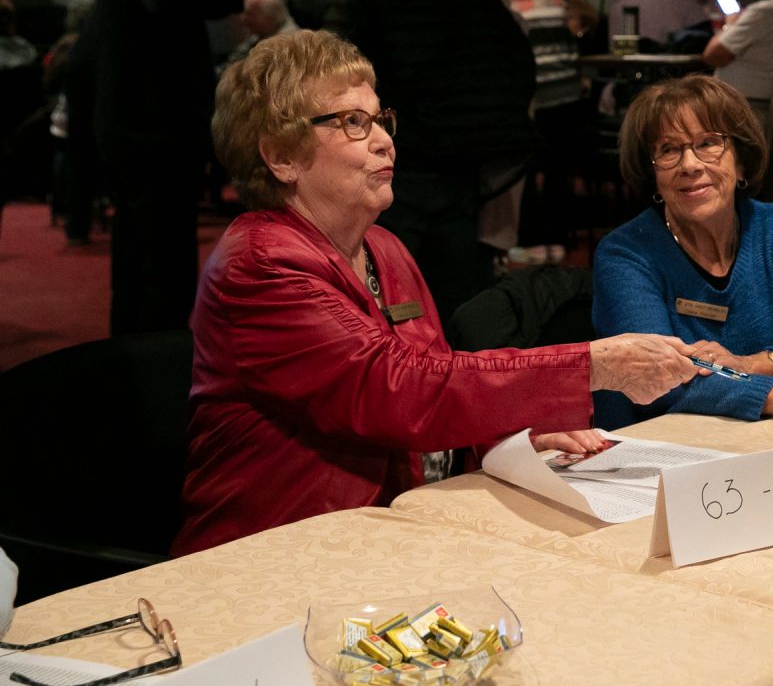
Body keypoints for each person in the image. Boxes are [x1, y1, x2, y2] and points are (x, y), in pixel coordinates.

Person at [173, 29, 704, 555]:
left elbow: (435, 401)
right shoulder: (260, 263)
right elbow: (397, 391)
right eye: (353, 123)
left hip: (388, 533)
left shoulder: (383, 248)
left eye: (381, 119)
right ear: (281, 157)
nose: (385, 140)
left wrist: (509, 439)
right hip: (274, 555)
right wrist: (590, 365)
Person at [591, 75, 773, 428]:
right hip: (655, 454)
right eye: (668, 150)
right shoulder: (626, 254)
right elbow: (654, 383)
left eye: (708, 143)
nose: (690, 164)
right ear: (653, 178)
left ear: (740, 161)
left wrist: (753, 364)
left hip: (762, 443)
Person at [75, 0, 275, 335]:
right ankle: (149, 381)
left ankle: (135, 373)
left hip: (140, 134)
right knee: (159, 273)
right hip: (150, 139)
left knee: (145, 267)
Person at [324, 0, 536, 322]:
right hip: (464, 169)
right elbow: (520, 69)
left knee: (385, 297)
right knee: (456, 300)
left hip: (389, 164)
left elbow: (333, 75)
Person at [503, 0, 587, 264]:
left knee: (525, 171)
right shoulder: (559, 1)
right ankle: (558, 239)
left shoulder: (508, 0)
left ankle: (530, 239)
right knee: (557, 170)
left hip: (532, 100)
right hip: (566, 98)